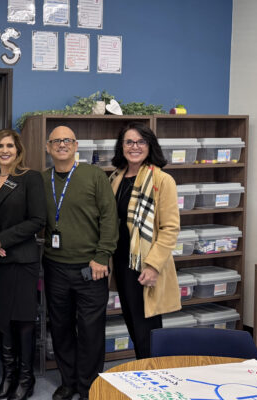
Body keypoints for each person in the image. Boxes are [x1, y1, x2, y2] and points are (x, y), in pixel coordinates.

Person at [41, 126, 118, 400]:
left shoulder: (94, 176)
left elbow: (110, 218)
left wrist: (102, 256)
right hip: (55, 266)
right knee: (60, 328)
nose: (62, 145)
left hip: (91, 268)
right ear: (48, 147)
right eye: (56, 141)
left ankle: (88, 386)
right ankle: (68, 381)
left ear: (76, 146)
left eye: (67, 140)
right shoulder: (42, 179)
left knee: (90, 330)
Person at [0, 129, 47, 400]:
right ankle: (9, 376)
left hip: (21, 260)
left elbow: (37, 219)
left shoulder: (30, 178)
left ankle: (25, 379)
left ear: (18, 150)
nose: (5, 150)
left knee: (23, 320)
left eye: (10, 146)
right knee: (2, 320)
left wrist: (2, 239)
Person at [109, 122, 181, 359]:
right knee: (132, 322)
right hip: (121, 262)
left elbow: (170, 228)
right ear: (122, 147)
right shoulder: (116, 177)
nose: (134, 147)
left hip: (145, 265)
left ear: (150, 146)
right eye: (129, 142)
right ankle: (144, 374)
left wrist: (153, 266)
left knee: (147, 330)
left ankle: (154, 380)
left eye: (141, 142)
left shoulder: (162, 180)